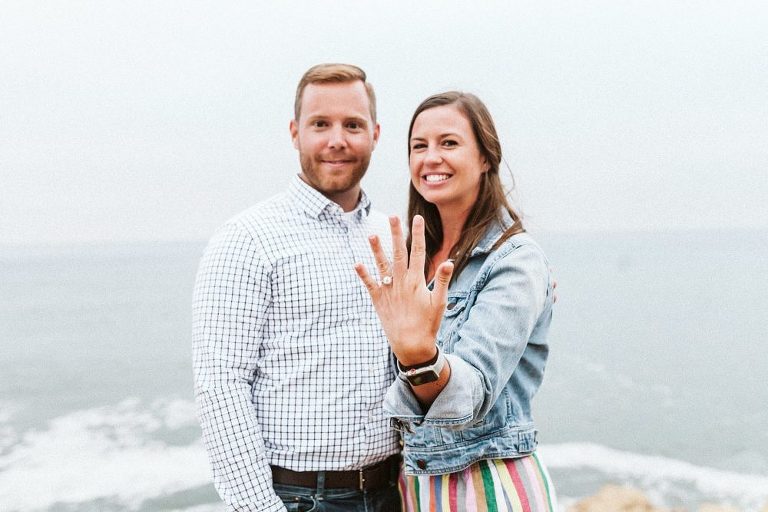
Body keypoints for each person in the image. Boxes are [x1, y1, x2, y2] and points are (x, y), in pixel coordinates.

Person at [192, 64, 402, 512]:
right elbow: (221, 387)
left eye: (353, 125)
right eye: (320, 124)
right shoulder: (246, 240)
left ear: (376, 134)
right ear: (294, 132)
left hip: (393, 493)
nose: (337, 140)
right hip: (300, 499)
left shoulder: (391, 236)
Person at [355, 91, 558, 510]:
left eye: (449, 143)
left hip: (487, 485)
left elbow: (471, 394)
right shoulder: (412, 258)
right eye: (419, 146)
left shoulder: (515, 261)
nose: (431, 158)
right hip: (416, 485)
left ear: (486, 157)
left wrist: (420, 357)